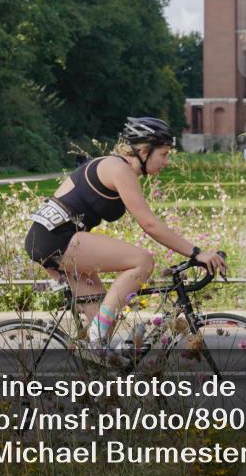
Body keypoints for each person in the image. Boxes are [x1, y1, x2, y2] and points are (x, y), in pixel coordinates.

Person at [24, 117, 226, 352]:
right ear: (143, 150)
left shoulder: (115, 167)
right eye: (164, 153)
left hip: (49, 240)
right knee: (142, 261)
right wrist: (196, 252)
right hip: (58, 239)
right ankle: (97, 338)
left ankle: (95, 378)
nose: (167, 161)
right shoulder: (118, 168)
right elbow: (150, 225)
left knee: (101, 338)